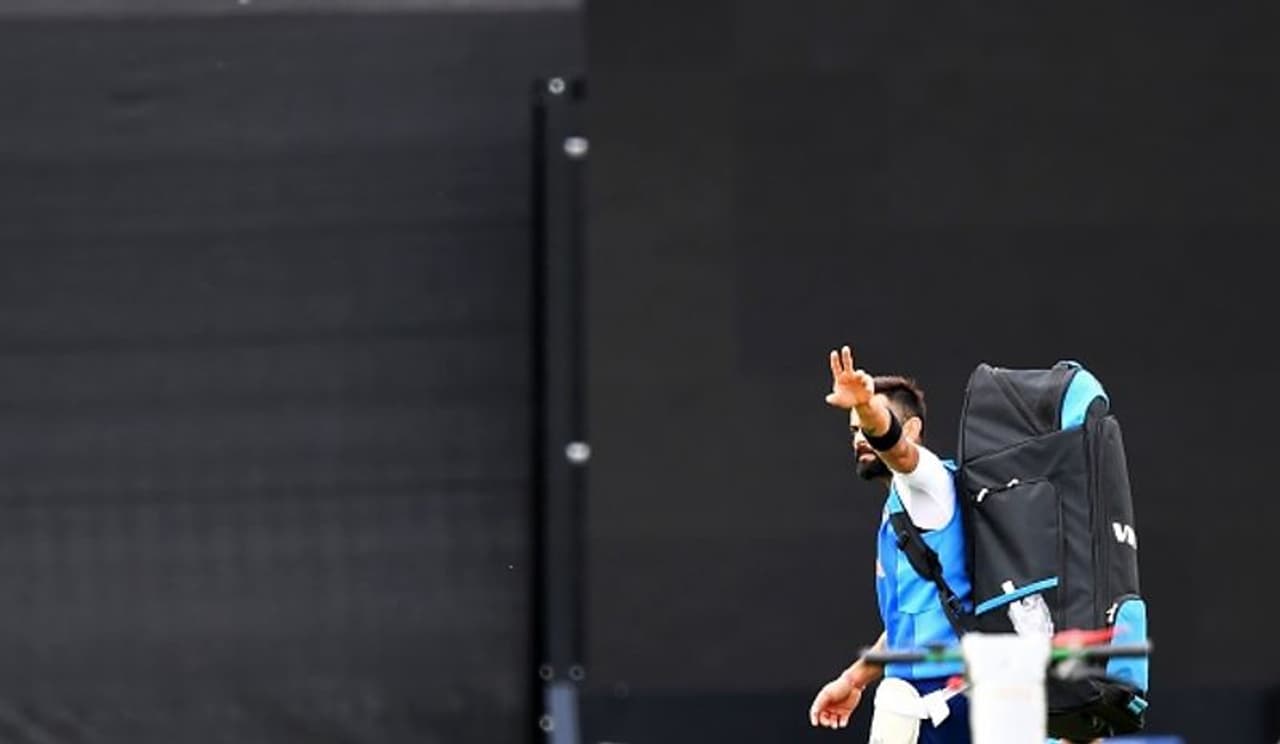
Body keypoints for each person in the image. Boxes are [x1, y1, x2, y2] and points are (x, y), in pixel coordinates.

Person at [808, 345, 972, 743]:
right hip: (935, 695)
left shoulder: (929, 483)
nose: (860, 436)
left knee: (895, 699)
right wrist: (853, 679)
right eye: (853, 430)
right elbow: (906, 627)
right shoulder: (901, 507)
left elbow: (895, 447)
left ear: (912, 428)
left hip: (945, 697)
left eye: (866, 423)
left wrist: (867, 405)